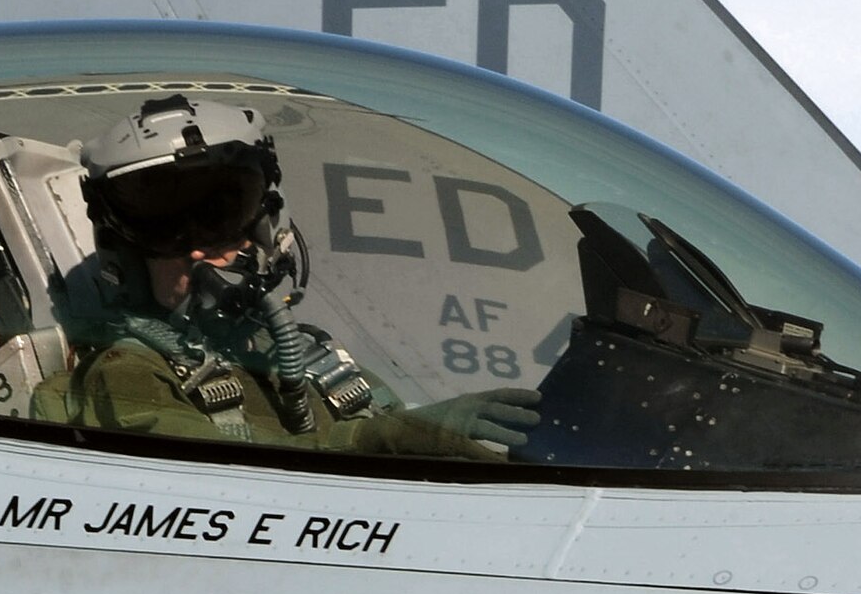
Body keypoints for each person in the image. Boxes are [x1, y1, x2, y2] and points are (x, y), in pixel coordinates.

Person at [57, 93, 539, 455]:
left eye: (223, 217)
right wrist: (379, 439)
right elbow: (217, 487)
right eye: (166, 231)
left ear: (266, 225)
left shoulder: (315, 363)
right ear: (126, 255)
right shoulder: (127, 377)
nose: (202, 249)